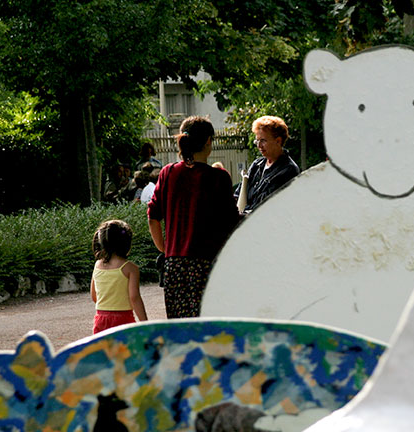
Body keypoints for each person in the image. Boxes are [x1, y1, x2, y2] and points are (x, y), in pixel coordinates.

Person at [147, 116, 241, 318]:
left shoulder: (168, 173)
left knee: (180, 328)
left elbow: (153, 216)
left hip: (174, 266)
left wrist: (166, 248)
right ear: (208, 141)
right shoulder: (219, 178)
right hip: (207, 265)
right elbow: (232, 223)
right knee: (207, 327)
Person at [90, 219, 148, 334]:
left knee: (104, 351)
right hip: (123, 319)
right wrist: (145, 323)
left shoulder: (97, 265)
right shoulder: (130, 268)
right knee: (126, 350)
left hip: (101, 318)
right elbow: (134, 298)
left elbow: (94, 295)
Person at [234, 116, 300, 213]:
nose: (259, 146)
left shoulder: (288, 171)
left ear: (278, 141)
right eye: (257, 141)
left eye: (263, 141)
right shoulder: (256, 165)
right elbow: (238, 195)